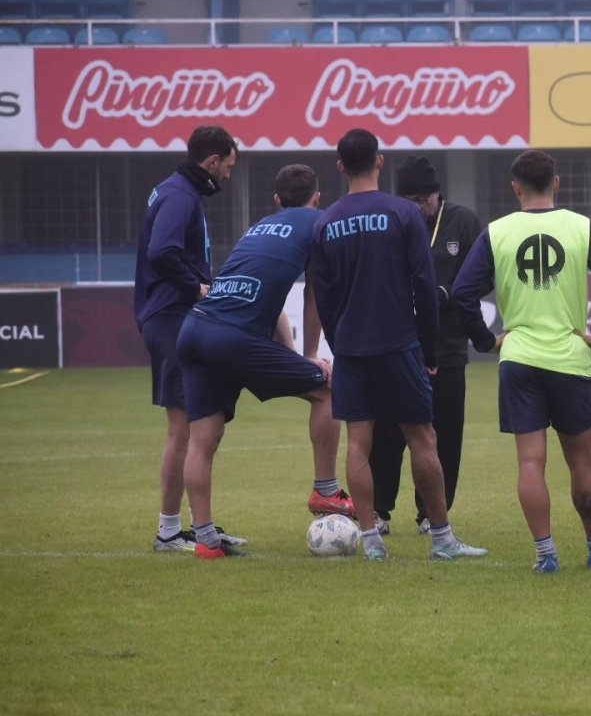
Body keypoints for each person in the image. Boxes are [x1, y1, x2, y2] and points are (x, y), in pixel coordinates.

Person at [451, 149, 591, 573]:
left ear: (515, 187)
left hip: (519, 359)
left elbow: (462, 294)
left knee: (530, 461)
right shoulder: (581, 227)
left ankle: (546, 554)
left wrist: (486, 341)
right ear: (557, 183)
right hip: (570, 359)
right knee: (582, 461)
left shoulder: (497, 231)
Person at [310, 128, 487, 562]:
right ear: (380, 162)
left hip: (352, 348)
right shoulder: (403, 215)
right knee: (424, 438)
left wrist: (339, 341)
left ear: (339, 167)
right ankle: (442, 538)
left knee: (359, 442)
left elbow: (324, 295)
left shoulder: (326, 222)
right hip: (400, 344)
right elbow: (424, 289)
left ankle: (371, 539)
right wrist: (427, 350)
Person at [176, 164, 353, 558]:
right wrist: (311, 357)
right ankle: (326, 491)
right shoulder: (319, 223)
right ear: (318, 198)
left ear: (276, 201)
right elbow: (314, 295)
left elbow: (269, 303)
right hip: (232, 338)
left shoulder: (257, 230)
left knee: (203, 440)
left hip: (194, 329)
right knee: (327, 387)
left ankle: (205, 542)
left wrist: (291, 358)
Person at [134, 125, 244, 553]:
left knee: (191, 429)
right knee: (184, 430)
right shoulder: (180, 196)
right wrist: (197, 287)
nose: (229, 177)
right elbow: (162, 252)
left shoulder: (175, 190)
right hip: (170, 319)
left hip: (170, 317)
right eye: (228, 168)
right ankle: (170, 532)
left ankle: (196, 528)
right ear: (212, 162)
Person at [369, 156, 482, 536]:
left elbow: (482, 275)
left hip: (447, 346)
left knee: (445, 433)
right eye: (410, 199)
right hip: (396, 344)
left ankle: (431, 515)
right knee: (386, 432)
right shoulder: (392, 221)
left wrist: (447, 293)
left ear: (438, 193)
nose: (418, 206)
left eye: (424, 198)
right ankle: (380, 511)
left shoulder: (463, 222)